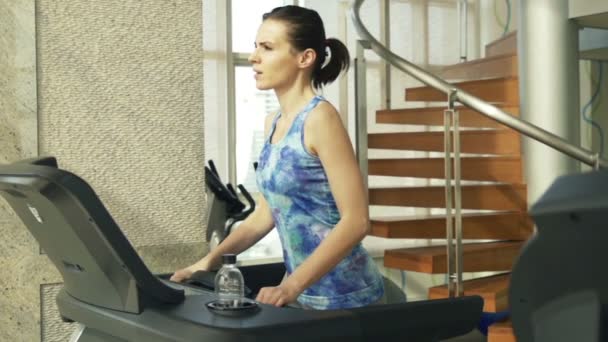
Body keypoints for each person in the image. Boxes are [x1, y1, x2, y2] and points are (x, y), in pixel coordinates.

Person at [171, 5, 384, 310]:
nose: (254, 57)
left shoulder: (321, 119)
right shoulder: (272, 121)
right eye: (255, 47)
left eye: (267, 48)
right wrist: (206, 262)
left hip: (346, 298)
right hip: (302, 295)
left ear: (305, 58)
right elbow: (266, 214)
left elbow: (356, 221)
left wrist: (289, 287)